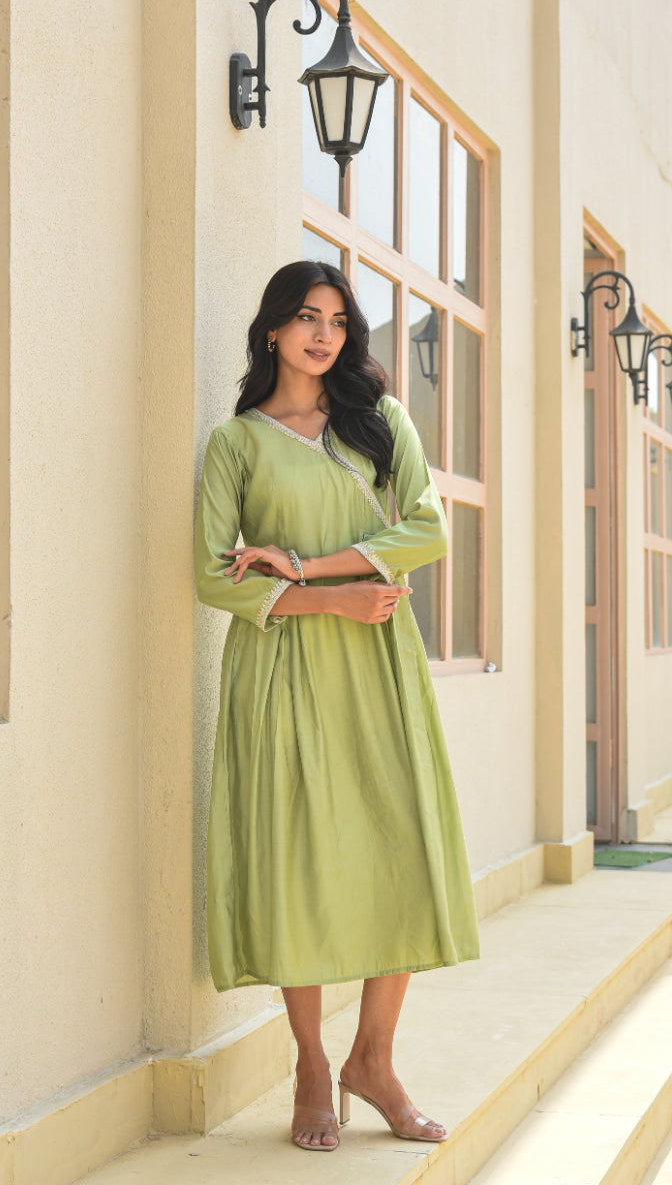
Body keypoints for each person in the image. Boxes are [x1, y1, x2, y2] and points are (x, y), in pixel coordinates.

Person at [194, 260, 479, 1152]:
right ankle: (313, 1064)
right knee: (299, 857)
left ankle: (376, 1061)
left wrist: (313, 566)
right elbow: (210, 574)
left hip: (378, 660)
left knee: (403, 844)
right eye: (306, 317)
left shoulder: (380, 421)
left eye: (338, 320)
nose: (324, 334)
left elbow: (427, 527)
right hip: (282, 667)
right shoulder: (235, 443)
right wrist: (327, 601)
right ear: (273, 329)